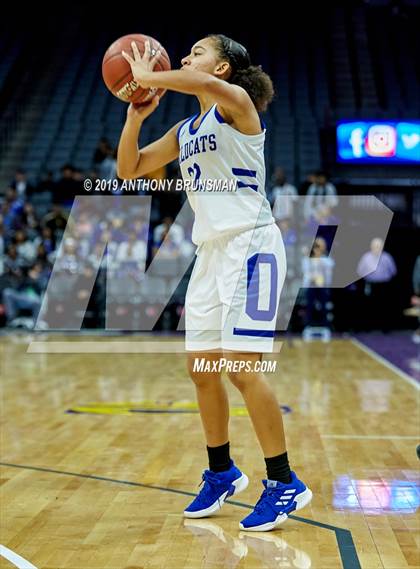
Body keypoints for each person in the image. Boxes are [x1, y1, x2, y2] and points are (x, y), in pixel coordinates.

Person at [118, 34, 312, 532]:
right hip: (210, 253)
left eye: (197, 52)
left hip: (251, 246)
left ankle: (284, 481)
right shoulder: (186, 130)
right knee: (202, 370)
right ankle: (222, 471)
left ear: (224, 69)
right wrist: (135, 117)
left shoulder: (238, 106)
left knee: (242, 369)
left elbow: (197, 82)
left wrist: (148, 76)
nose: (185, 58)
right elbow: (130, 170)